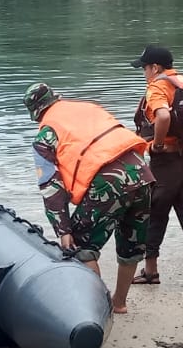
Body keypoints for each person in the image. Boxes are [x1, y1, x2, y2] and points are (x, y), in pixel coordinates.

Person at [25, 83, 154, 314]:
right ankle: (119, 303)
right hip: (141, 173)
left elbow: (50, 186)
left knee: (82, 247)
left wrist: (63, 230)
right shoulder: (88, 107)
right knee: (132, 241)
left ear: (36, 113)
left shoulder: (45, 135)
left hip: (106, 181)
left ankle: (96, 309)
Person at [130, 44, 183, 283]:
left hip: (165, 163)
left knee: (156, 214)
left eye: (144, 67)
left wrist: (159, 144)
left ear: (155, 67)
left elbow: (162, 116)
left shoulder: (157, 87)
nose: (144, 72)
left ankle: (151, 270)